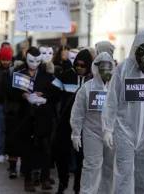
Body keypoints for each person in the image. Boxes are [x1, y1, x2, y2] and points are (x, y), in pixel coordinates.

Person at [102, 30, 144, 194]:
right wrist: (108, 128)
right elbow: (111, 100)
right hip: (124, 131)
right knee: (124, 177)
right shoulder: (123, 69)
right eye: (141, 49)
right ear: (135, 48)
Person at [12, 47, 57, 192]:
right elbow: (11, 92)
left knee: (45, 148)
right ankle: (28, 180)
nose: (34, 64)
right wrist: (24, 96)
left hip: (43, 116)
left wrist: (43, 96)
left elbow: (55, 91)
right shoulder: (19, 74)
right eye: (31, 60)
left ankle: (45, 178)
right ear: (26, 58)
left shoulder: (46, 75)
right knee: (27, 150)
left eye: (37, 61)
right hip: (26, 117)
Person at [71, 50, 115, 194]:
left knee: (109, 167)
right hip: (92, 132)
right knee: (91, 166)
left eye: (108, 68)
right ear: (96, 68)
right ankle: (87, 192)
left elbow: (124, 111)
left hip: (111, 133)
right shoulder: (87, 88)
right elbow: (78, 112)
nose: (105, 72)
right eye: (102, 68)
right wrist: (76, 133)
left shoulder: (116, 88)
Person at [52, 48, 93, 194]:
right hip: (65, 124)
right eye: (77, 64)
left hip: (84, 127)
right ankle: (62, 183)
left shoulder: (93, 81)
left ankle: (78, 186)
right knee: (61, 155)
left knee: (82, 158)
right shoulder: (66, 76)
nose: (79, 68)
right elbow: (52, 96)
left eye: (83, 65)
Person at [0, 46, 13, 163]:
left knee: (9, 129)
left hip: (11, 105)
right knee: (0, 130)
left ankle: (7, 151)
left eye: (7, 59)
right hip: (0, 104)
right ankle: (1, 152)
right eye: (3, 59)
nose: (5, 62)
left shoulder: (13, 71)